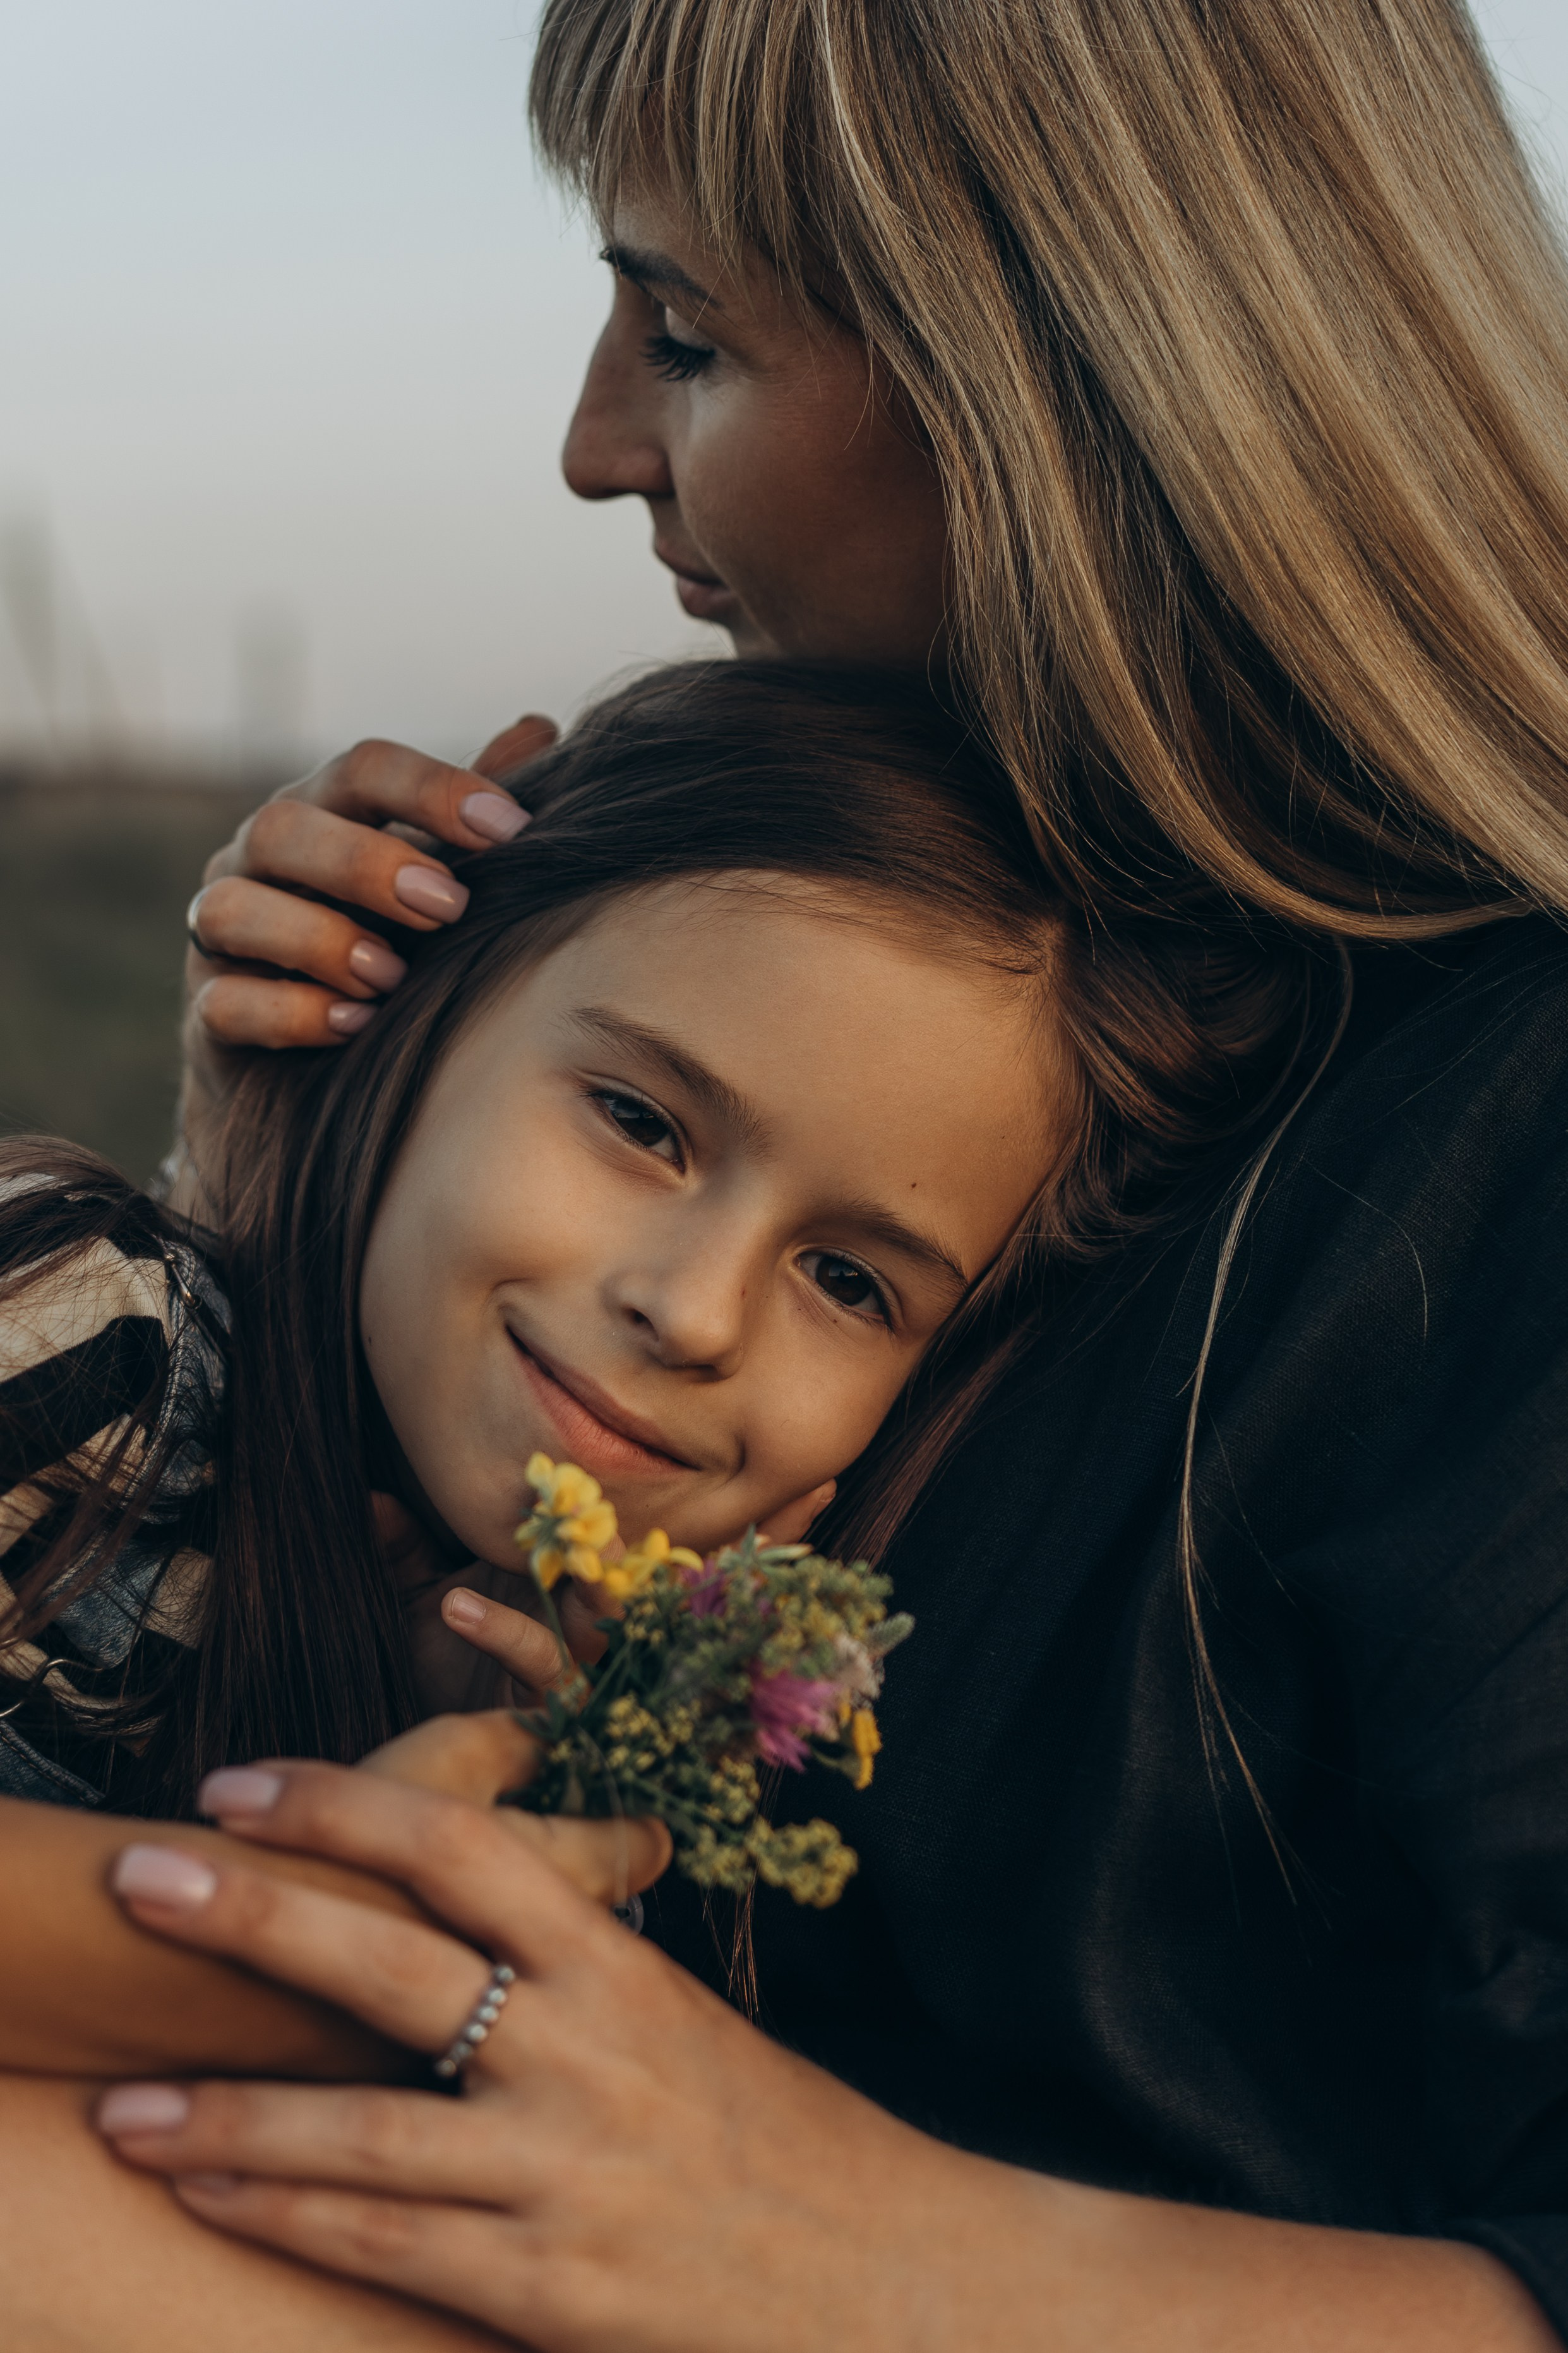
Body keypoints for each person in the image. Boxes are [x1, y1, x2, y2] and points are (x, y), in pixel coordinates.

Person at [92, 1, 1568, 2347]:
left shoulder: (1498, 1131)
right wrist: (289, 1150)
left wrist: (866, 2256)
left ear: (1060, 361)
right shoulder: (1035, 997)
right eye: (641, 1112)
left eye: (681, 333)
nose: (593, 449)